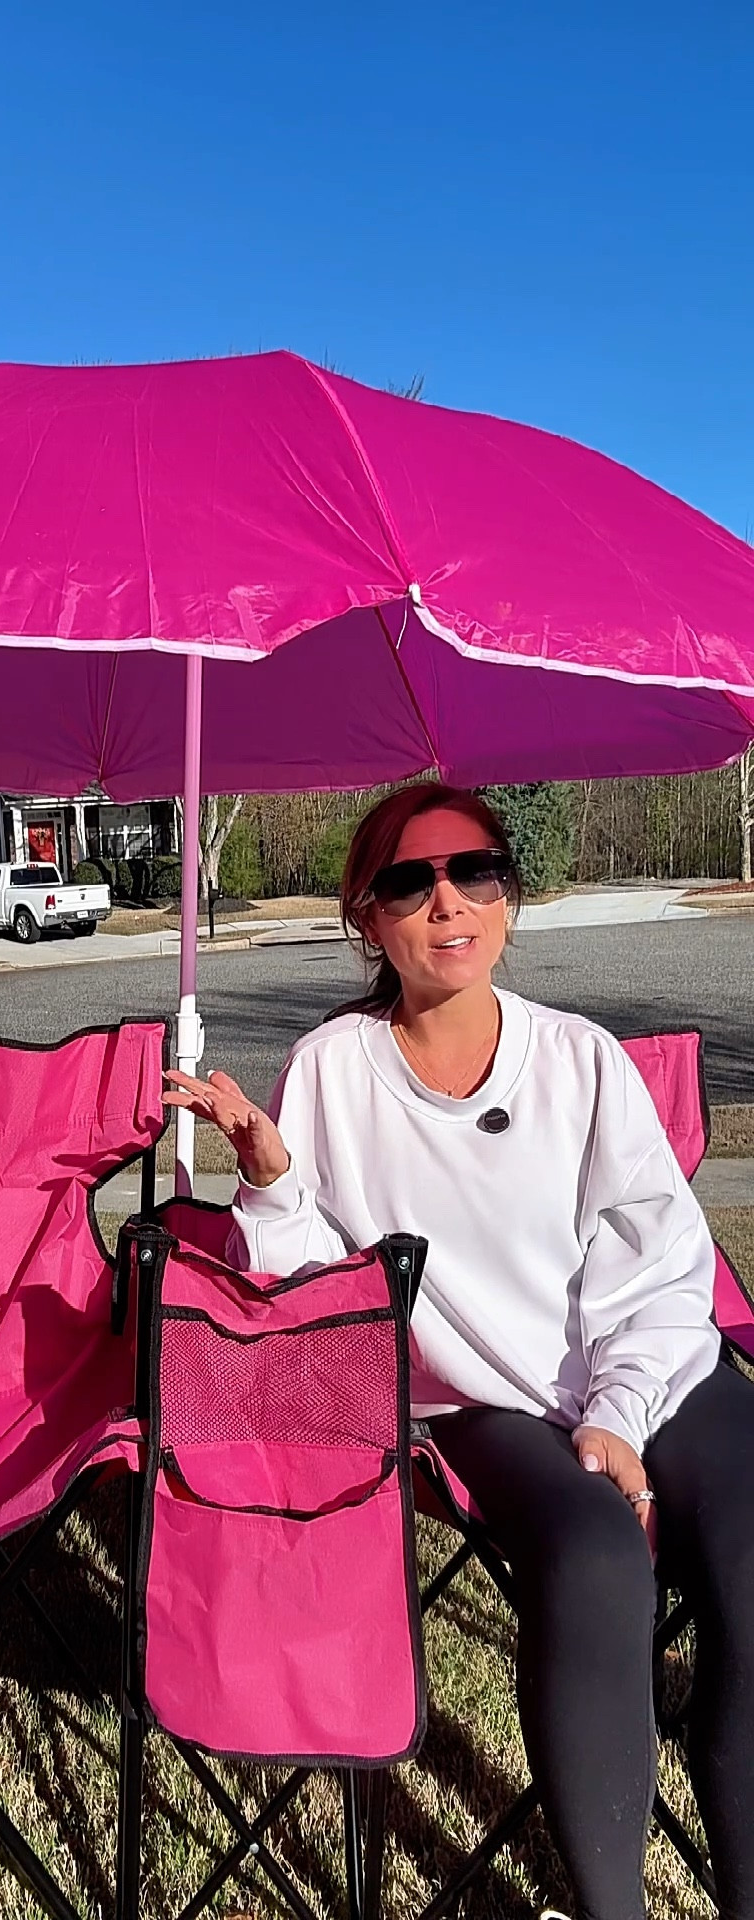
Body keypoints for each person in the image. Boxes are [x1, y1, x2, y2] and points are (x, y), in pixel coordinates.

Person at [166, 781, 754, 1920]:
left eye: (475, 870)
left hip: (652, 1363)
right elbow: (314, 1293)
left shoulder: (581, 1058)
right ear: (366, 917)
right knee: (592, 1563)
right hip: (484, 1400)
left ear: (509, 896)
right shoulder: (335, 1068)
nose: (448, 900)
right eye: (409, 879)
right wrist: (270, 1175)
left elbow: (661, 1267)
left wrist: (621, 1415)